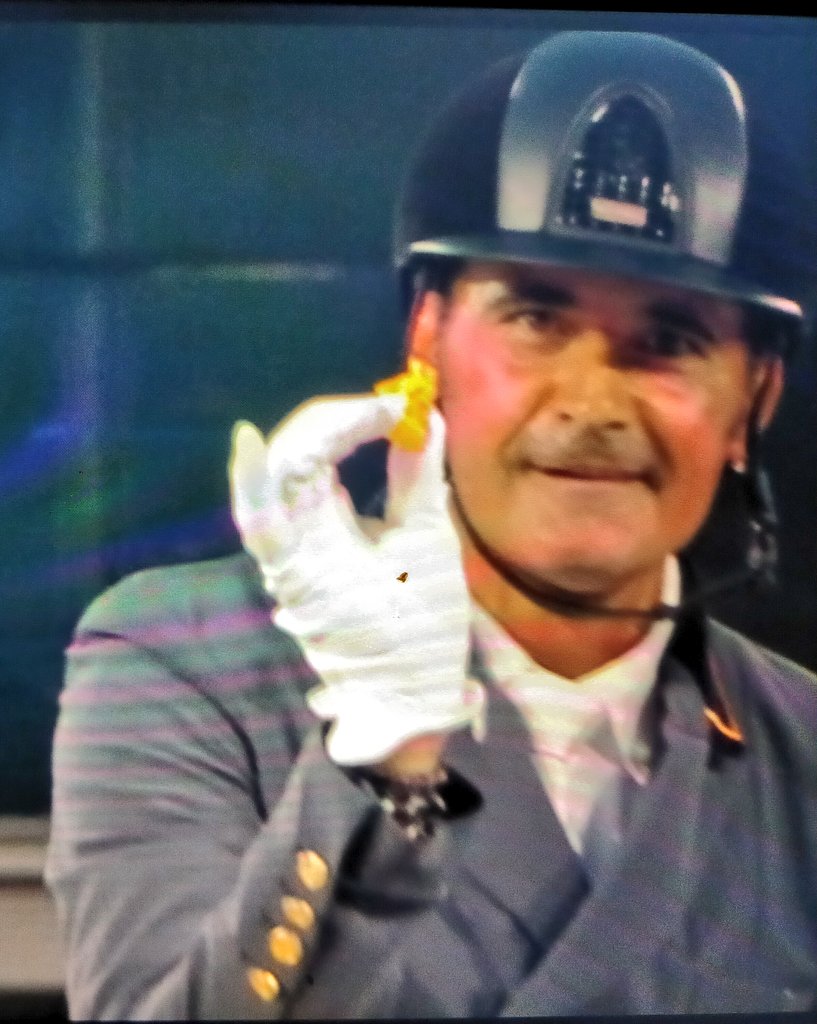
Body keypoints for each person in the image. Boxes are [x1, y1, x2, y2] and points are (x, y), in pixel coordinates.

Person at [46, 30, 817, 1019]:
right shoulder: (186, 662)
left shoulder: (800, 746)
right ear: (426, 341)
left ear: (754, 399)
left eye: (668, 339)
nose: (591, 403)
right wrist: (376, 769)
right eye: (535, 317)